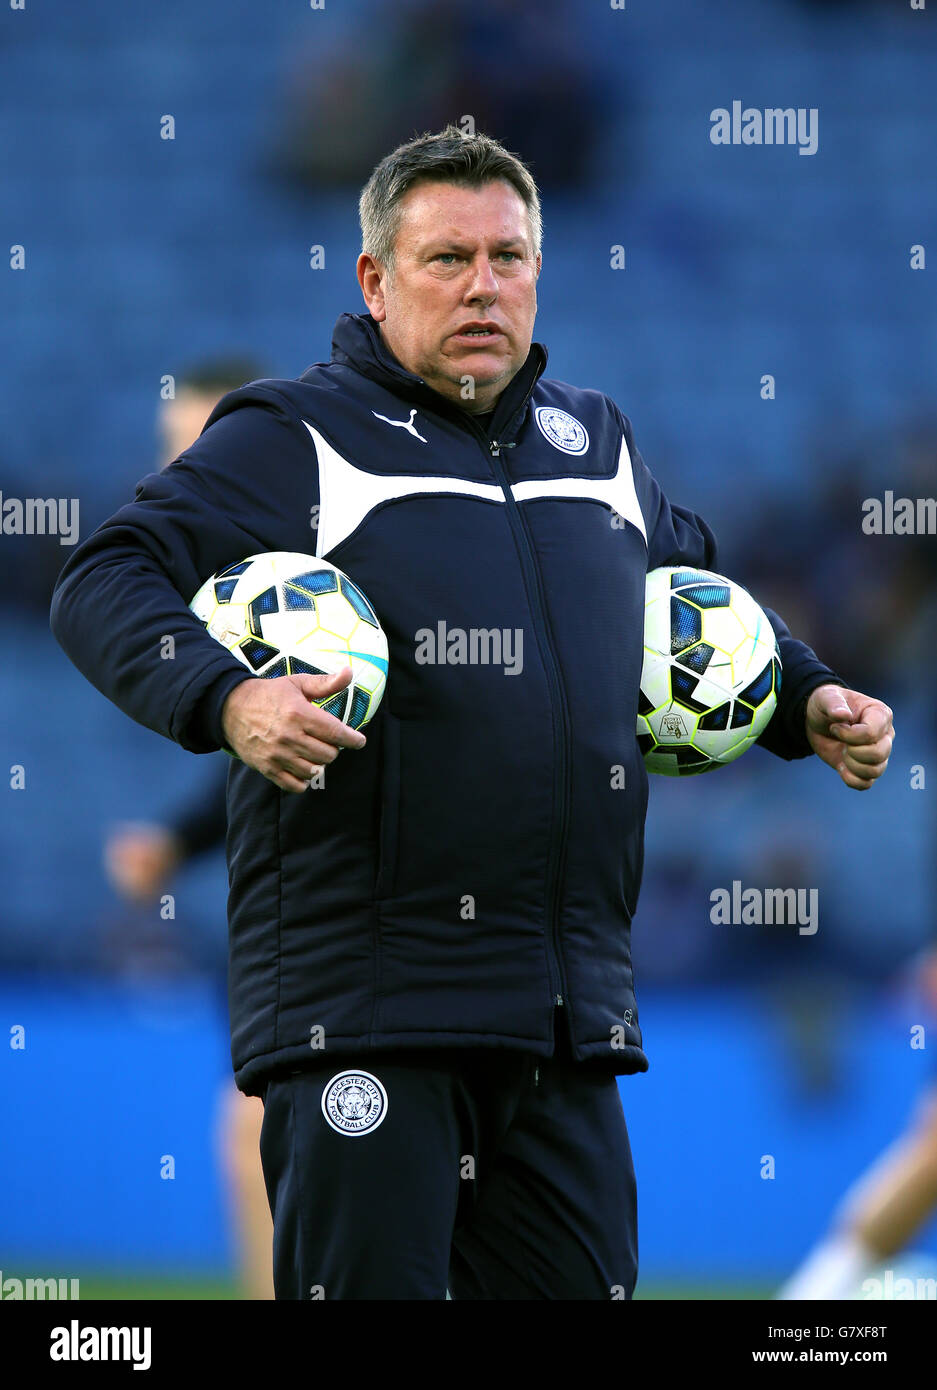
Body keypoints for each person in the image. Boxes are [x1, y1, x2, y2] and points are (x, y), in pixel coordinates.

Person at [49, 125, 894, 1301]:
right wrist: (226, 697)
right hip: (368, 1016)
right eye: (447, 258)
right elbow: (104, 573)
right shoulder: (291, 435)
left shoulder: (593, 443)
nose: (483, 285)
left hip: (563, 1025)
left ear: (538, 272)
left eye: (507, 256)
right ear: (375, 280)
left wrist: (807, 700)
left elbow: (699, 598)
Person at [104, 359, 274, 1300]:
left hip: (373, 908)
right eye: (171, 450)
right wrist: (176, 841)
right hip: (279, 904)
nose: (176, 472)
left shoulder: (325, 571)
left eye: (200, 448)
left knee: (259, 1122)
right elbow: (260, 756)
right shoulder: (231, 585)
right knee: (253, 1124)